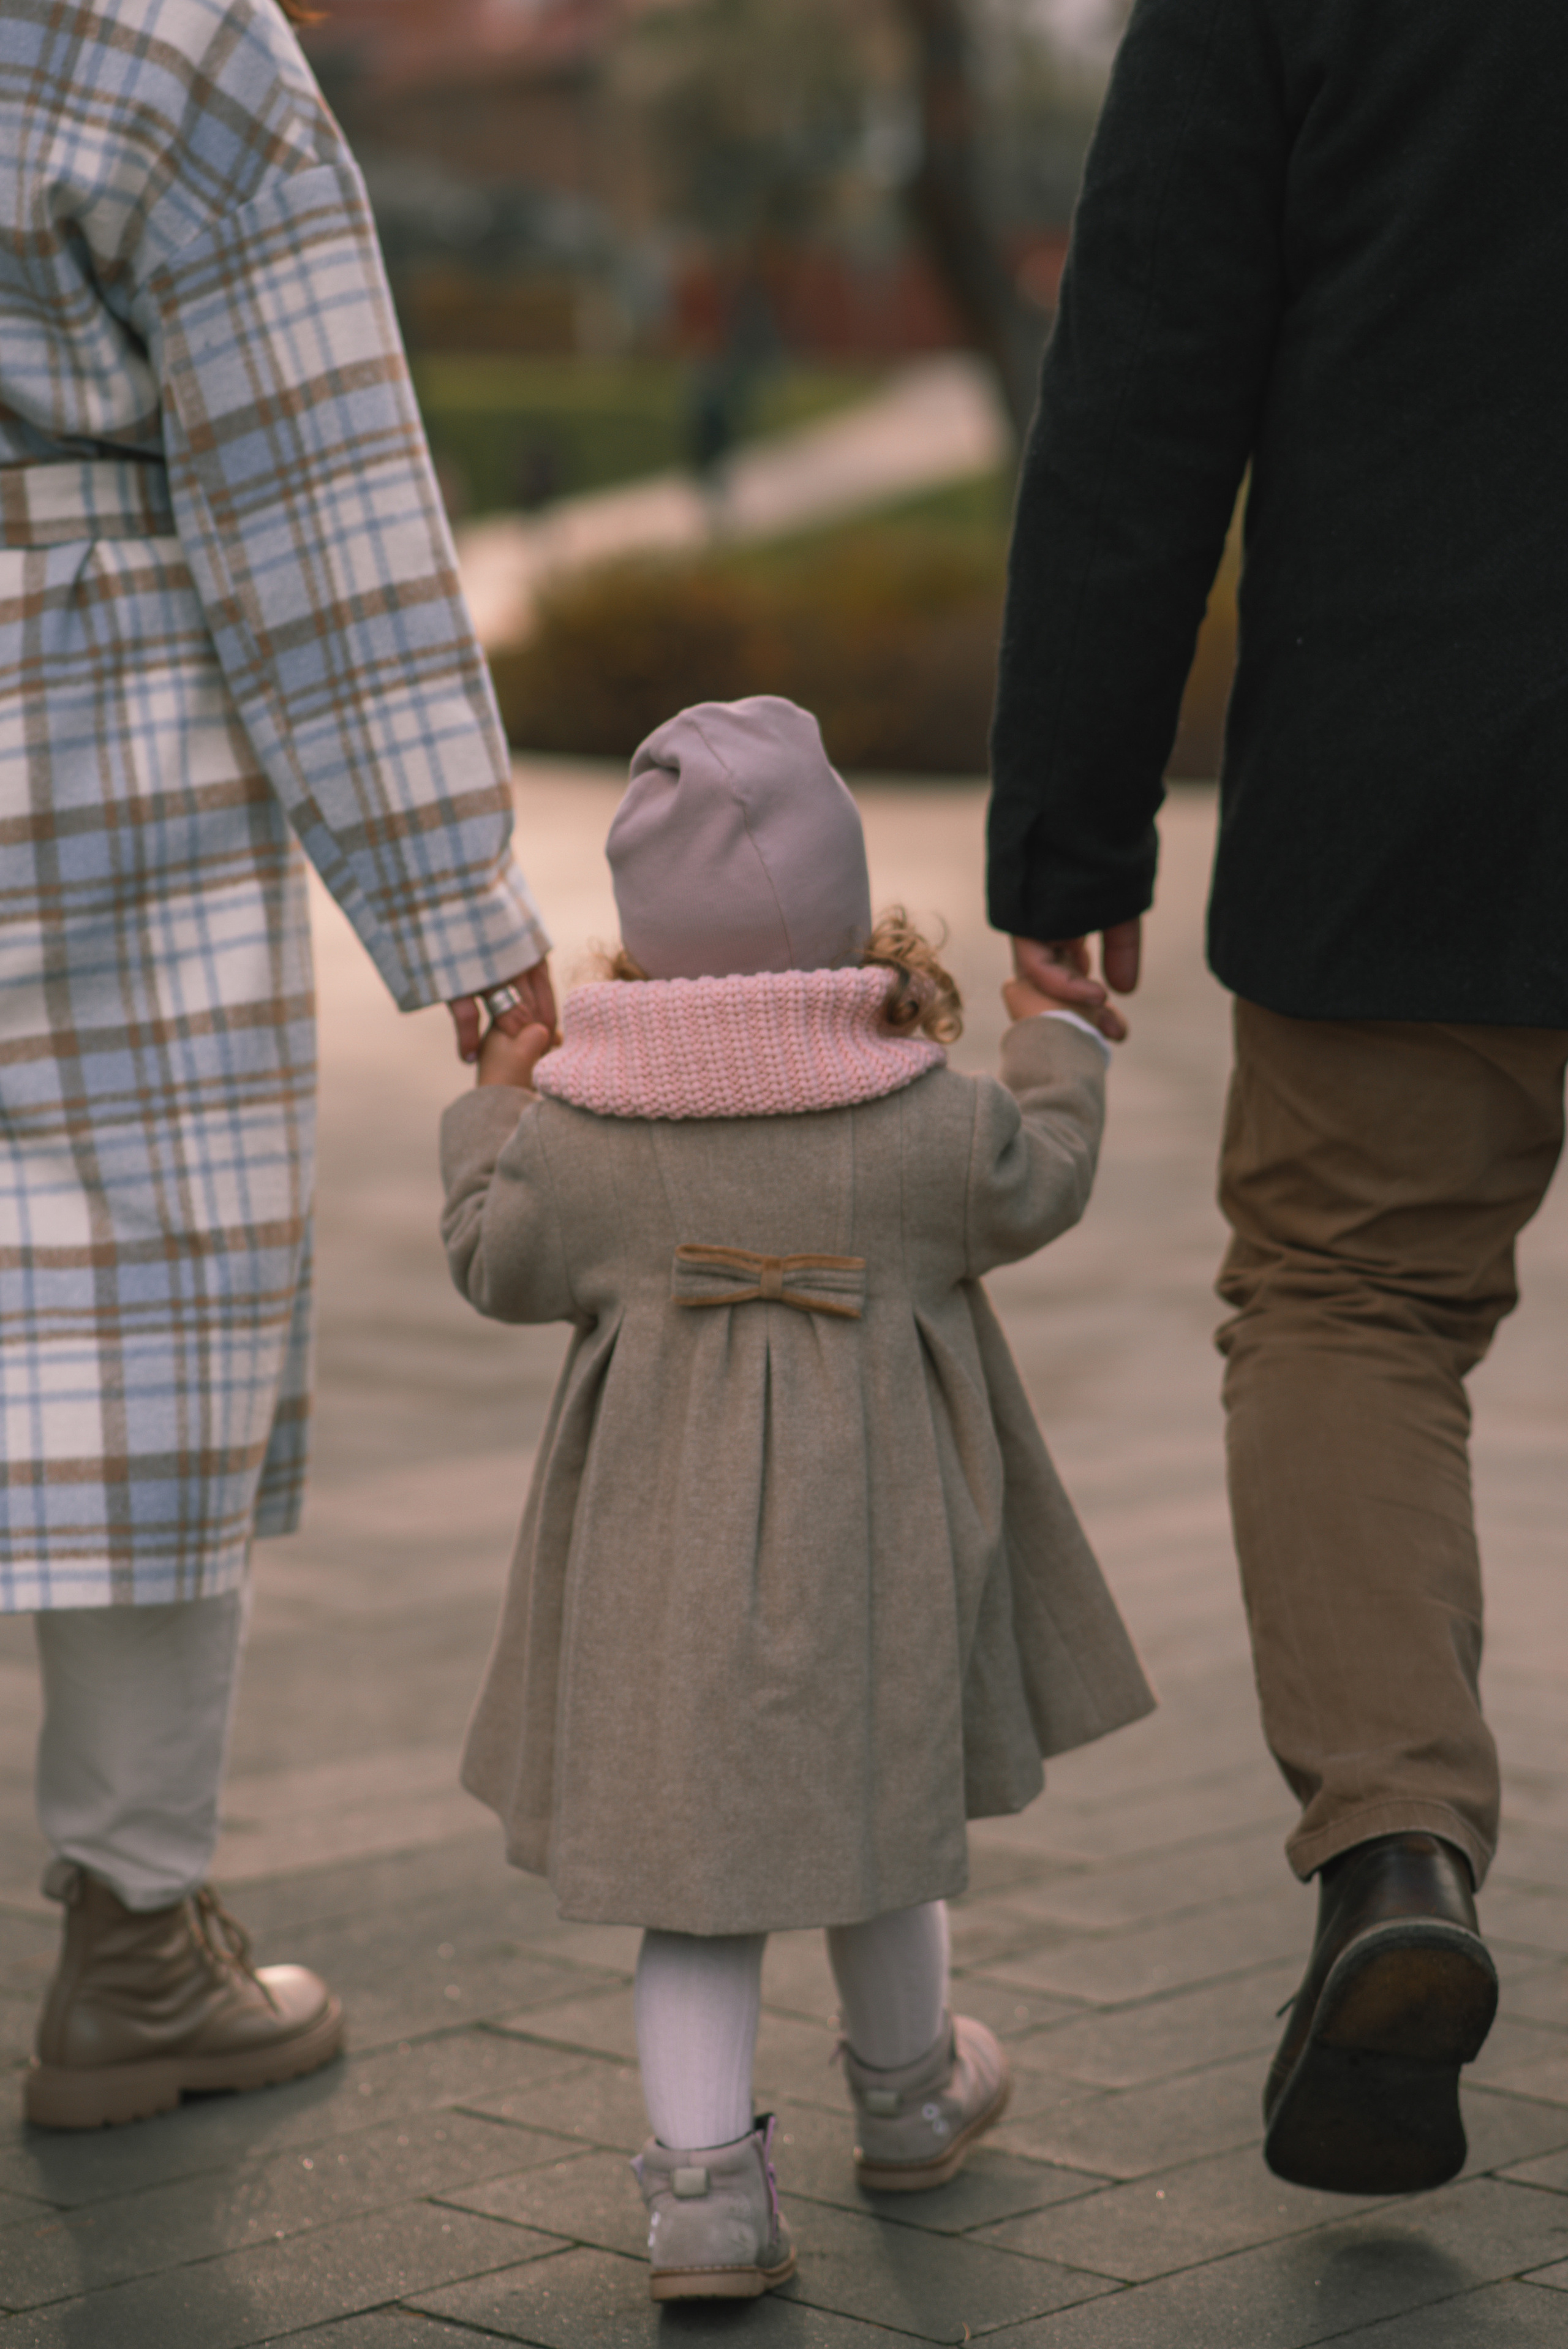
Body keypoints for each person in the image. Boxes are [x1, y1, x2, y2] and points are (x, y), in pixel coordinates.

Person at [986, 0, 1568, 2196]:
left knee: (1350, 1297)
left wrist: (1068, 832)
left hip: (1400, 763)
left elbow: (1145, 379)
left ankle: (1396, 1855)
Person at [2, 0, 554, 2130]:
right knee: (146, 1294)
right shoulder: (169, 34)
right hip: (90, 710)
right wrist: (463, 921)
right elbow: (319, 501)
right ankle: (136, 1944)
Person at [439, 695, 1155, 2301]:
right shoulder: (919, 1116)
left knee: (691, 1887)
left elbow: (491, 1255)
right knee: (882, 1830)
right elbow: (1042, 1171)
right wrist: (1063, 1031)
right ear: (846, 913)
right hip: (879, 1556)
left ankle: (703, 2195)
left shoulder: (584, 1137)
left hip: (660, 1575)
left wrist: (496, 1084)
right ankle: (909, 2095)